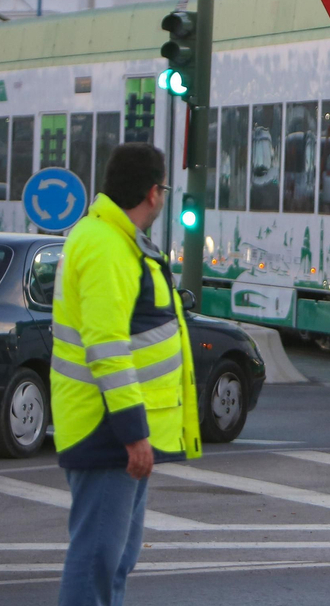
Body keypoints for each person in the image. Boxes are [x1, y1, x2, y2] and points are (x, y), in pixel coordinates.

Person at [52, 142, 200, 606]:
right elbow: (108, 348)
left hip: (114, 429)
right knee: (98, 561)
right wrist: (134, 433)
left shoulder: (114, 240)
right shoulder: (105, 245)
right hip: (108, 432)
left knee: (114, 561)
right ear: (154, 193)